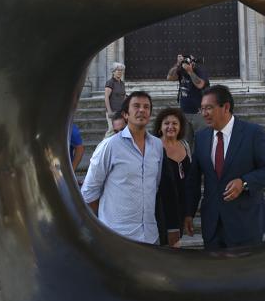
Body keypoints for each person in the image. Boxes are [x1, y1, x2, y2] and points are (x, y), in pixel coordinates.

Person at [184, 84, 265, 249]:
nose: (204, 113)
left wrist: (244, 182)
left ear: (225, 107)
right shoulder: (201, 137)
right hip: (212, 225)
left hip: (246, 223)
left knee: (245, 273)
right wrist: (188, 213)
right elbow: (193, 180)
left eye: (209, 108)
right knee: (216, 274)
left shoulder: (253, 133)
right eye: (202, 109)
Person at [81, 91, 174, 244]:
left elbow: (154, 185)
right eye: (136, 106)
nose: (142, 110)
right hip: (116, 237)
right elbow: (89, 192)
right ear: (125, 114)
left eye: (146, 107)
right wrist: (106, 224)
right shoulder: (110, 146)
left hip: (150, 236)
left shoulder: (157, 146)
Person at [152, 107, 191, 247]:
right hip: (161, 207)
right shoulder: (154, 147)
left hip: (180, 204)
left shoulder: (185, 145)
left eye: (175, 123)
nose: (170, 127)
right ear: (160, 127)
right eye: (166, 123)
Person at [167, 52, 210, 144]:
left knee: (203, 142)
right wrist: (177, 64)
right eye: (185, 61)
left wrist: (190, 71)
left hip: (199, 113)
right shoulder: (181, 70)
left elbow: (200, 84)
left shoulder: (199, 70)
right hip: (184, 113)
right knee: (185, 143)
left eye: (189, 61)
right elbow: (169, 77)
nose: (187, 63)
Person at [104, 62, 126, 134]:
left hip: (121, 111)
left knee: (120, 131)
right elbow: (106, 97)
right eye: (117, 70)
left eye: (121, 70)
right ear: (113, 72)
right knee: (111, 131)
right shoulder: (110, 82)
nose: (120, 72)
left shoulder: (122, 83)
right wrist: (109, 111)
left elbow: (124, 96)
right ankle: (104, 145)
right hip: (112, 111)